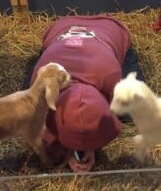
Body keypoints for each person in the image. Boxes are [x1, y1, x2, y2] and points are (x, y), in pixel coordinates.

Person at [22, 15, 144, 172]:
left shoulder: (111, 76)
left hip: (108, 30)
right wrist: (70, 150)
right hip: (61, 29)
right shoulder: (42, 80)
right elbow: (35, 124)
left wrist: (89, 146)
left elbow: (111, 112)